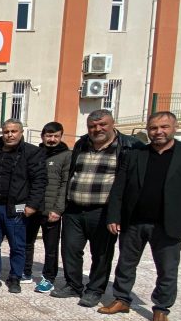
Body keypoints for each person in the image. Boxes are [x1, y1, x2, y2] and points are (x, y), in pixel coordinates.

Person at [99, 112, 181, 321]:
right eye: (153, 128)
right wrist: (114, 216)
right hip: (134, 222)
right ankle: (122, 299)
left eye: (164, 127)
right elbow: (119, 187)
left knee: (167, 269)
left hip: (169, 224)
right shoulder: (135, 154)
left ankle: (161, 308)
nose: (158, 132)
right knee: (126, 264)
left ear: (175, 128)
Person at [51, 109, 143, 307]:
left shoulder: (128, 146)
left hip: (103, 211)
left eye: (102, 125)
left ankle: (94, 290)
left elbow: (132, 182)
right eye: (92, 126)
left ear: (113, 124)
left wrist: (119, 213)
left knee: (101, 253)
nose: (97, 129)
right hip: (74, 208)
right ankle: (73, 285)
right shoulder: (82, 143)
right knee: (70, 249)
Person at [0, 120, 46, 294]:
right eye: (6, 131)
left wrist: (32, 204)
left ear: (21, 132)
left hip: (16, 207)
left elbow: (39, 181)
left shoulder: (32, 152)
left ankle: (15, 277)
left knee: (17, 245)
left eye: (14, 131)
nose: (10, 135)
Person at [25, 122, 71, 293]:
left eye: (56, 136)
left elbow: (65, 184)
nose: (52, 139)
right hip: (33, 207)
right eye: (49, 136)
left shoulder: (66, 156)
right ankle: (25, 271)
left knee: (50, 247)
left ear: (61, 136)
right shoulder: (36, 154)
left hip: (51, 210)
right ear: (42, 136)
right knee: (27, 242)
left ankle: (49, 277)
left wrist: (58, 209)